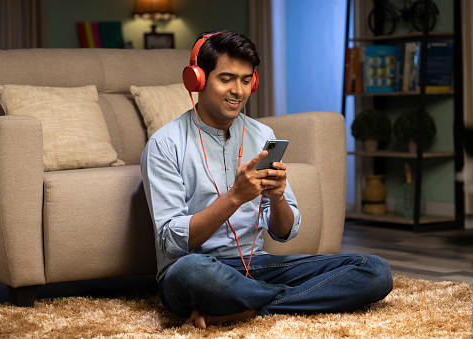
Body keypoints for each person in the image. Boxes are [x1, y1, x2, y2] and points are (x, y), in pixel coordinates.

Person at [141, 30, 393, 329]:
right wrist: (236, 196)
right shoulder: (164, 144)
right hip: (198, 272)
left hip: (256, 266)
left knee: (375, 270)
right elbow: (172, 243)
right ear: (197, 79)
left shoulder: (263, 136)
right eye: (226, 79)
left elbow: (285, 233)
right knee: (191, 272)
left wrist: (276, 197)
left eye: (246, 80)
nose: (238, 91)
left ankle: (247, 310)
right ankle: (287, 300)